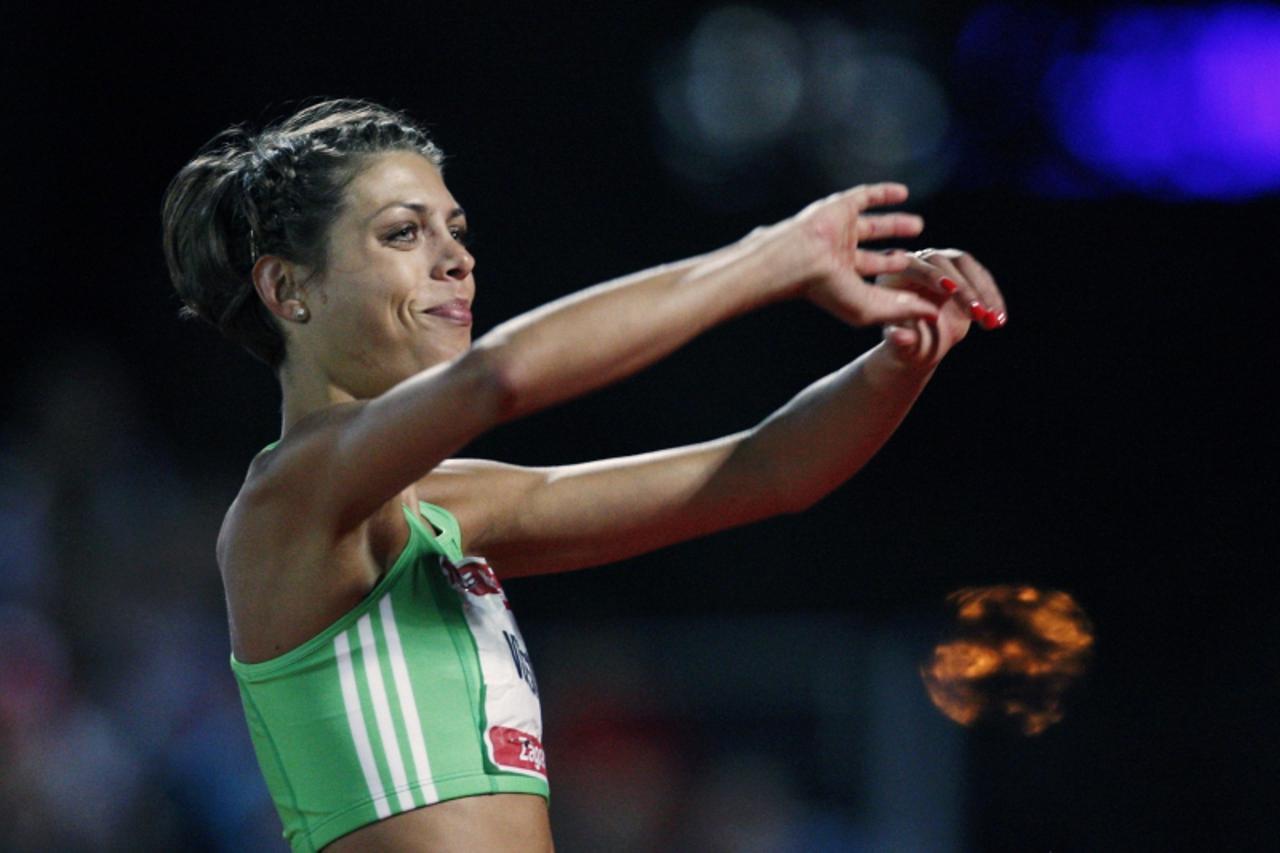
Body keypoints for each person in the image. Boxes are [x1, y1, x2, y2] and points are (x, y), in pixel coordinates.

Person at [162, 98, 1005, 853]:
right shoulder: (290, 497)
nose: (456, 259)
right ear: (287, 288)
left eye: (457, 229)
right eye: (402, 232)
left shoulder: (451, 506)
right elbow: (500, 377)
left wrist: (901, 356)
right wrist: (767, 259)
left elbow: (767, 470)